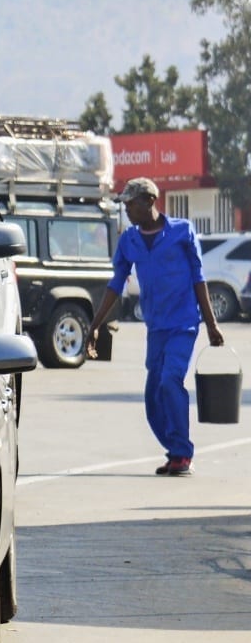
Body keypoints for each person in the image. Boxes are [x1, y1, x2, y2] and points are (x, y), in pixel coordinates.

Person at [87, 177, 224, 477]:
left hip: (183, 324)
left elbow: (199, 278)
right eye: (124, 205)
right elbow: (116, 283)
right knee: (153, 396)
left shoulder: (182, 231)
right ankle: (175, 450)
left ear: (150, 201)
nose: (126, 211)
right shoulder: (129, 240)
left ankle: (183, 454)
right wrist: (95, 324)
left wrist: (211, 324)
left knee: (170, 380)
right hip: (156, 327)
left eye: (130, 204)